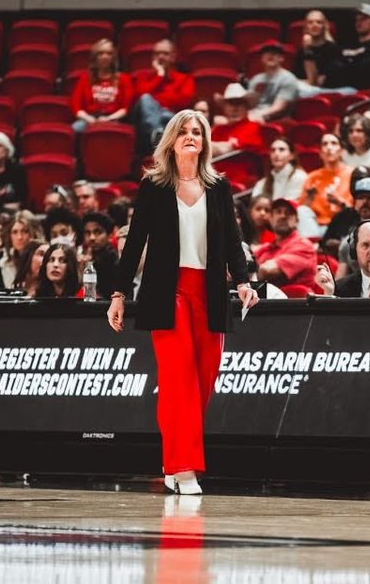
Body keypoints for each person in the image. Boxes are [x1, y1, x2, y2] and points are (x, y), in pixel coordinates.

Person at [107, 109, 259, 496]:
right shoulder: (154, 186)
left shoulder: (219, 186)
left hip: (207, 292)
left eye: (198, 132)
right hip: (167, 291)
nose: (192, 137)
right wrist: (119, 294)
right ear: (172, 141)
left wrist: (243, 282)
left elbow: (231, 241)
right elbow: (135, 242)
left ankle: (172, 457)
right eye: (185, 132)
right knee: (179, 382)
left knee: (204, 381)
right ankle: (185, 468)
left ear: (205, 142)